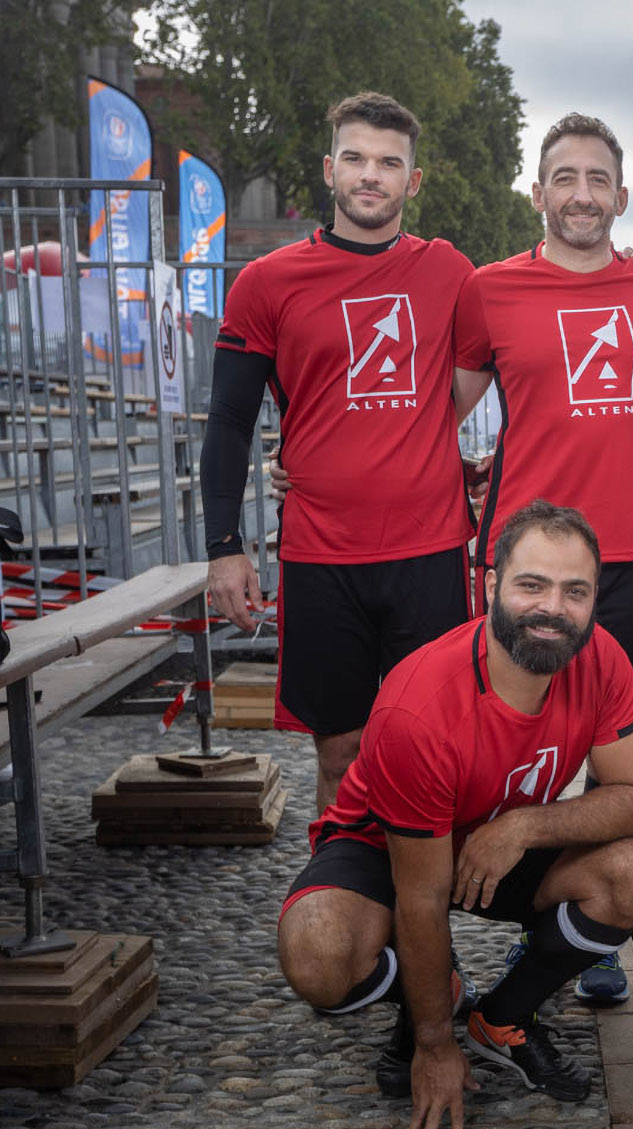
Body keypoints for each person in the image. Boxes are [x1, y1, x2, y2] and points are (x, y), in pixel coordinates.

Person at [275, 500, 633, 1129]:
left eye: (576, 591)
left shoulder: (602, 657)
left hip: (501, 841)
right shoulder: (420, 706)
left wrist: (520, 828)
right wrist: (433, 1042)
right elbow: (421, 895)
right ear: (490, 584)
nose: (553, 609)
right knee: (317, 958)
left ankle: (503, 1016)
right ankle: (434, 998)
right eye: (531, 584)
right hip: (388, 846)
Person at [201, 92, 475, 813]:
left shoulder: (452, 273)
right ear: (330, 169)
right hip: (323, 553)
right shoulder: (267, 282)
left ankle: (418, 922)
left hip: (429, 549)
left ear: (413, 181)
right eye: (355, 158)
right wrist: (223, 546)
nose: (371, 175)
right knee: (340, 750)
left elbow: (536, 333)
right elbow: (229, 419)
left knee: (431, 746)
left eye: (389, 163)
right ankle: (341, 909)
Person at [452, 112, 633, 1006]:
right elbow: (437, 411)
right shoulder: (489, 289)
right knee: (521, 741)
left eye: (598, 179)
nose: (582, 195)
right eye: (565, 178)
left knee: (622, 760)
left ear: (622, 195)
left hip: (630, 557)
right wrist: (299, 459)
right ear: (537, 194)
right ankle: (505, 914)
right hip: (527, 566)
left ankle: (608, 928)